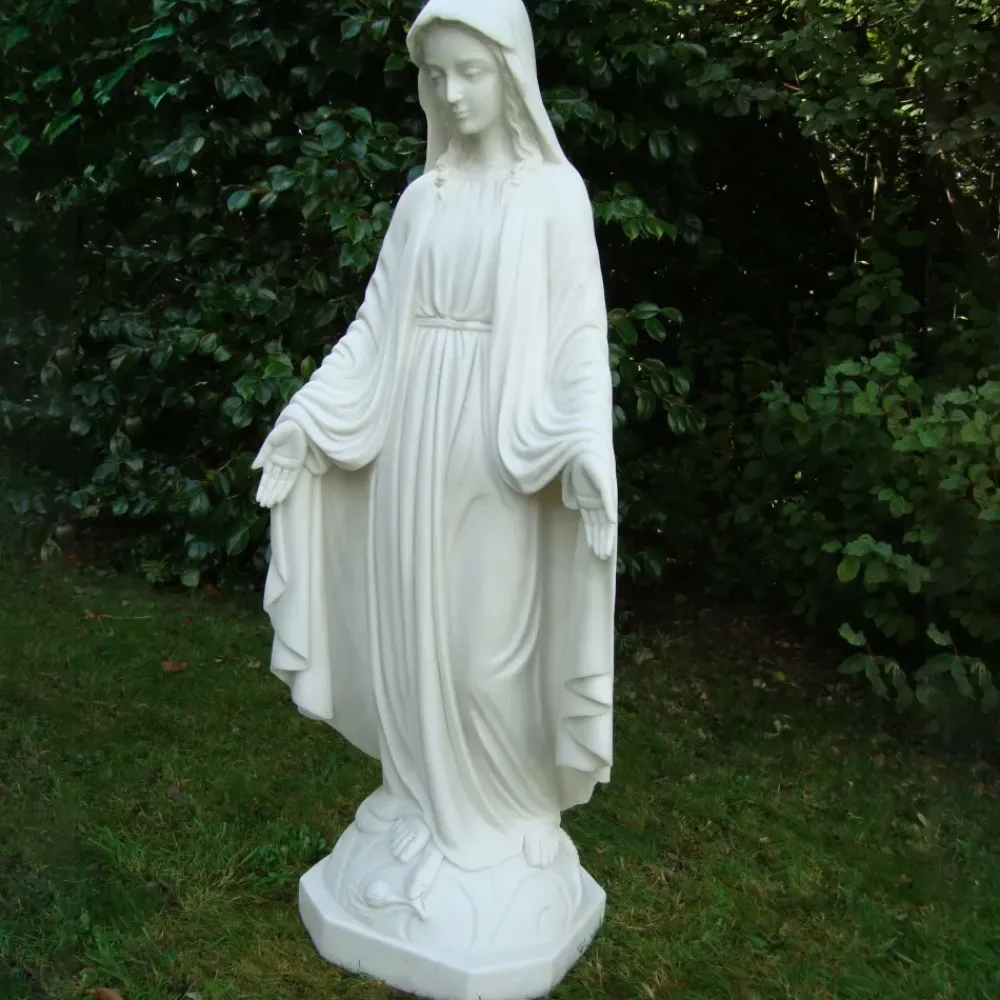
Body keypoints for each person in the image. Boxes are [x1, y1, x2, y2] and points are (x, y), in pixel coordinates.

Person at [253, 0, 618, 883]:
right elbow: (375, 326)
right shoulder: (423, 200)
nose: (452, 94)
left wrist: (584, 441)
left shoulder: (554, 198)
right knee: (411, 631)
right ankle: (417, 797)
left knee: (485, 652)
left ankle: (505, 815)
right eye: (436, 75)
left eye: (471, 72)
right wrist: (306, 416)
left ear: (512, 75)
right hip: (412, 437)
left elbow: (578, 338)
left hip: (498, 448)